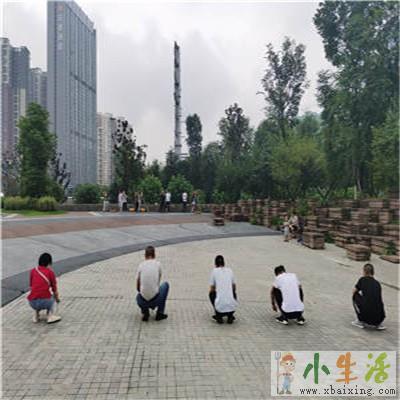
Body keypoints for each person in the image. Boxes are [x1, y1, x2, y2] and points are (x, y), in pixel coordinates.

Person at [136, 246, 169, 322]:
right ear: (154, 255)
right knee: (165, 285)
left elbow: (137, 287)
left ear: (145, 255)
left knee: (139, 295)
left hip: (142, 301)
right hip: (155, 299)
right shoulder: (158, 264)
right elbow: (157, 282)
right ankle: (160, 313)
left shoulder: (141, 265)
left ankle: (145, 312)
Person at [27, 253, 61, 324]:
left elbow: (31, 286)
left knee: (37, 294)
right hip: (45, 302)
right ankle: (50, 316)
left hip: (32, 302)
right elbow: (54, 289)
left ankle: (36, 316)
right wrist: (57, 299)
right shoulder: (50, 272)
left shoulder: (33, 271)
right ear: (49, 263)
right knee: (53, 296)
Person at [352, 263, 386, 330]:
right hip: (380, 318)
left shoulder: (362, 279)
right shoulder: (377, 283)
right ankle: (378, 324)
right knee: (375, 300)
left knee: (355, 295)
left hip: (366, 316)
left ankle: (360, 320)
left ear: (364, 271)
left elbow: (354, 291)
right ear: (373, 272)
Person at [209, 255, 238, 324]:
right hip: (232, 306)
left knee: (211, 294)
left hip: (220, 306)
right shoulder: (230, 270)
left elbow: (212, 288)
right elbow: (234, 286)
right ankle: (230, 315)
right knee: (233, 292)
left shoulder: (214, 271)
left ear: (215, 263)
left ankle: (218, 315)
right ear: (224, 263)